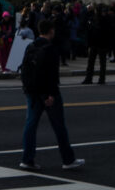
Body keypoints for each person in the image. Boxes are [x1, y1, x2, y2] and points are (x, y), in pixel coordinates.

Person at [18, 19, 84, 172]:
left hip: (32, 92)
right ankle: (68, 159)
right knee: (59, 126)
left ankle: (27, 158)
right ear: (51, 31)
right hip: (47, 93)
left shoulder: (31, 46)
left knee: (30, 125)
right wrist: (49, 94)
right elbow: (50, 75)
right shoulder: (51, 49)